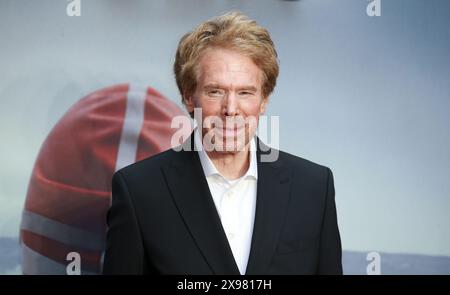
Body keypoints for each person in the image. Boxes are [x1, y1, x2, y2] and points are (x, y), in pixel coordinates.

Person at [103, 11, 342, 275]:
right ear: (189, 97)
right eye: (215, 91)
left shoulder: (314, 188)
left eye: (245, 92)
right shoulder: (138, 191)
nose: (230, 109)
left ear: (263, 100)